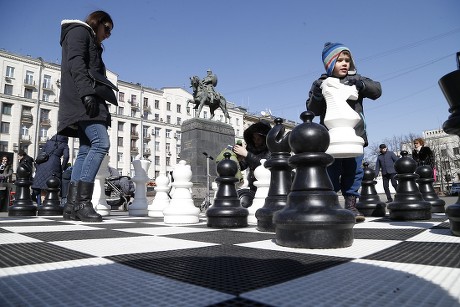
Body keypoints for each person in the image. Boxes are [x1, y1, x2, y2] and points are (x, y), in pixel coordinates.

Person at [306, 42, 382, 222]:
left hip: (355, 135)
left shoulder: (357, 80)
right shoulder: (321, 83)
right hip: (330, 137)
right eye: (340, 60)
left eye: (347, 60)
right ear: (330, 63)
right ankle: (330, 203)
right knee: (330, 170)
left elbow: (377, 91)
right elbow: (312, 110)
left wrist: (361, 84)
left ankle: (351, 205)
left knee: (354, 171)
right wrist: (318, 93)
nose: (345, 63)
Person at [58, 10, 115, 222]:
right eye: (107, 28)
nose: (108, 34)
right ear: (97, 22)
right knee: (101, 143)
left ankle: (72, 205)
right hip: (82, 99)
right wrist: (87, 93)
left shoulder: (88, 38)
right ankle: (82, 202)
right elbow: (76, 63)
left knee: (85, 150)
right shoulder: (79, 32)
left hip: (83, 99)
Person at [233, 120, 271, 192]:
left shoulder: (270, 149)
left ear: (265, 139)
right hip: (252, 183)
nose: (255, 141)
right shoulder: (251, 148)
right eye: (254, 138)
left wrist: (246, 154)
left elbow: (264, 164)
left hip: (266, 184)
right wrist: (238, 159)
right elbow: (242, 166)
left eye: (258, 139)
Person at [31, 135, 69, 205]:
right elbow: (66, 157)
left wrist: (38, 166)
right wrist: (62, 167)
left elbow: (40, 153)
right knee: (54, 186)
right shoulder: (64, 144)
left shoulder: (48, 143)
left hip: (42, 165)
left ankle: (42, 205)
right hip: (55, 166)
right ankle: (51, 204)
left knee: (42, 187)